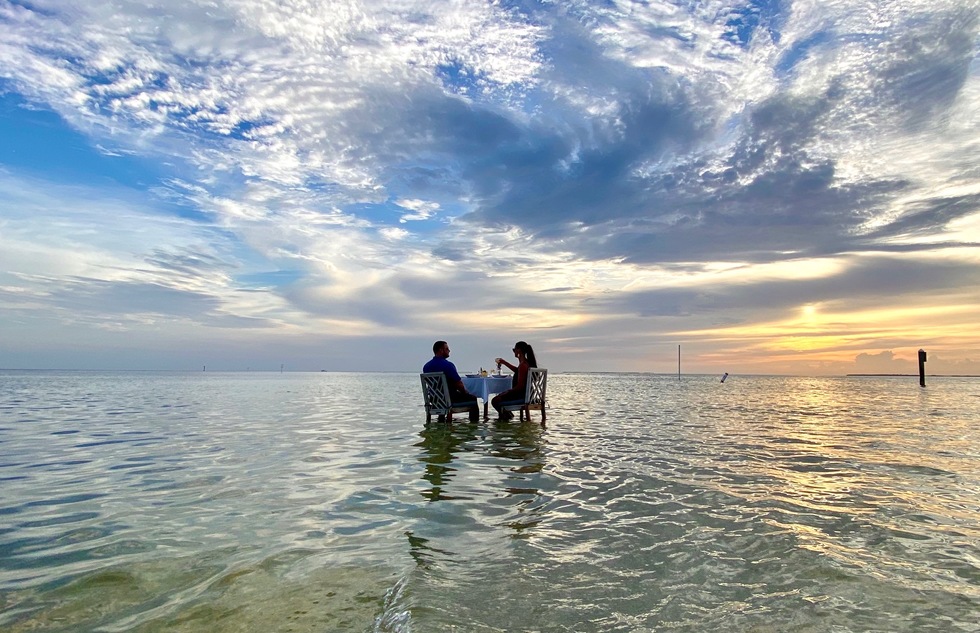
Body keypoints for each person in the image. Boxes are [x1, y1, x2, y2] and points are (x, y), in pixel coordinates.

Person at [423, 340, 480, 421]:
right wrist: (465, 392)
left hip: (434, 400)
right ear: (441, 350)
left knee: (445, 397)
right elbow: (459, 384)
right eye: (447, 349)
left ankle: (441, 421)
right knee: (473, 399)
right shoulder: (448, 365)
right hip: (449, 399)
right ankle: (473, 428)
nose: (449, 351)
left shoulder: (426, 367)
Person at [491, 341, 538, 420]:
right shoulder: (526, 363)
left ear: (518, 350)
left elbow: (520, 386)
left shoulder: (523, 365)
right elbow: (517, 371)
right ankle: (506, 416)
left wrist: (508, 391)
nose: (514, 352)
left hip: (521, 395)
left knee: (495, 401)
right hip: (528, 394)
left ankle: (506, 418)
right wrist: (505, 363)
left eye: (514, 350)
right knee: (499, 397)